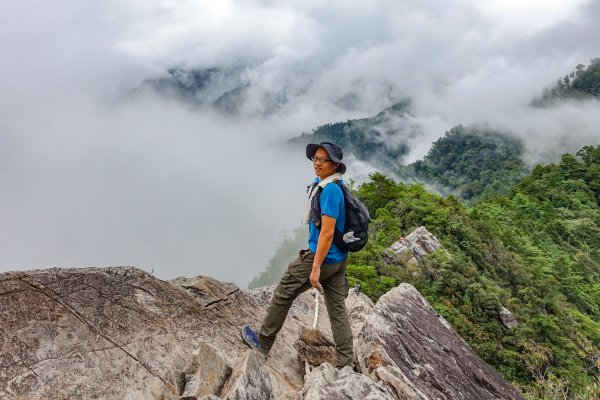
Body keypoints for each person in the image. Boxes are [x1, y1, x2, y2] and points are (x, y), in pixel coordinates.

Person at [241, 141, 354, 368]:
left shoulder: (331, 191)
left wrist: (315, 267)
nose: (318, 163)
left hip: (322, 257)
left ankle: (263, 341)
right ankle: (345, 361)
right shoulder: (330, 184)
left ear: (336, 165)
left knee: (284, 291)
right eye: (316, 159)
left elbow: (328, 232)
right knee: (337, 309)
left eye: (324, 160)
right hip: (339, 258)